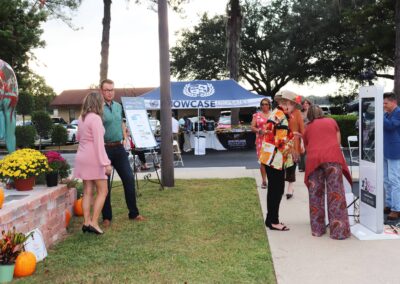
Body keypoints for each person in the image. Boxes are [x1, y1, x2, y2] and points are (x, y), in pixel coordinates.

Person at [100, 79, 145, 227]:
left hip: (119, 148)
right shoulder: (97, 108)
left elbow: (121, 122)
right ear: (101, 91)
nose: (109, 92)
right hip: (104, 148)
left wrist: (125, 136)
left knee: (129, 178)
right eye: (106, 90)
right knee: (105, 185)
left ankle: (134, 213)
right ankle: (106, 217)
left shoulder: (118, 106)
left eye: (112, 90)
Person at [303, 105, 351, 240]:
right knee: (336, 194)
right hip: (332, 158)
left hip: (314, 160)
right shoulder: (331, 121)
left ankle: (317, 230)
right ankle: (339, 232)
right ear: (321, 112)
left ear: (309, 115)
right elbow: (337, 141)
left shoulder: (308, 128)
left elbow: (307, 147)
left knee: (315, 195)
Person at [260, 90, 300, 231]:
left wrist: (292, 134)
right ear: (287, 103)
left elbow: (274, 133)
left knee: (273, 190)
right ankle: (274, 221)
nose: (294, 108)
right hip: (275, 159)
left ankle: (270, 219)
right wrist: (292, 152)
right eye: (293, 105)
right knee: (277, 191)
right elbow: (280, 142)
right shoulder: (281, 115)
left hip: (269, 157)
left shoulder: (276, 113)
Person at [74, 92, 112, 235]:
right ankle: (94, 223)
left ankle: (86, 222)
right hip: (93, 158)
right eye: (101, 102)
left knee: (87, 191)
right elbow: (99, 144)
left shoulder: (80, 118)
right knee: (103, 191)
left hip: (82, 156)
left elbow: (79, 137)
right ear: (97, 103)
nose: (103, 104)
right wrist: (105, 163)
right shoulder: (95, 118)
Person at [383, 92, 400, 220]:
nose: (384, 105)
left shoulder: (398, 112)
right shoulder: (386, 114)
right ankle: (389, 204)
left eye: (385, 103)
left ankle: (396, 208)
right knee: (386, 179)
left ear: (393, 102)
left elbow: (390, 126)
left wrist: (380, 116)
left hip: (395, 151)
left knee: (394, 180)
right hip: (385, 150)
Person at [285, 99, 305, 199]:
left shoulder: (297, 113)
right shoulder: (281, 112)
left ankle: (290, 186)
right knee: (283, 165)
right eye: (286, 103)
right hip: (282, 143)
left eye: (290, 103)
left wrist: (302, 142)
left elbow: (302, 131)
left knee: (292, 165)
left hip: (294, 144)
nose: (288, 105)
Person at [251, 98, 271, 189]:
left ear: (269, 105)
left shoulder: (274, 115)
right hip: (261, 141)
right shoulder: (257, 115)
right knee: (263, 161)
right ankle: (264, 181)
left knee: (271, 161)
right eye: (262, 104)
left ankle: (272, 179)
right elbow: (252, 127)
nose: (264, 106)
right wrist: (259, 130)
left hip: (272, 140)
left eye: (266, 104)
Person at [298, 98, 312, 172]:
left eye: (307, 103)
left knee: (309, 149)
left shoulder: (312, 112)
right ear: (302, 105)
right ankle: (301, 167)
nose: (305, 105)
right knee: (302, 150)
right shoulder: (299, 112)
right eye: (304, 103)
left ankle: (308, 166)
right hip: (301, 132)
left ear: (309, 104)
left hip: (310, 132)